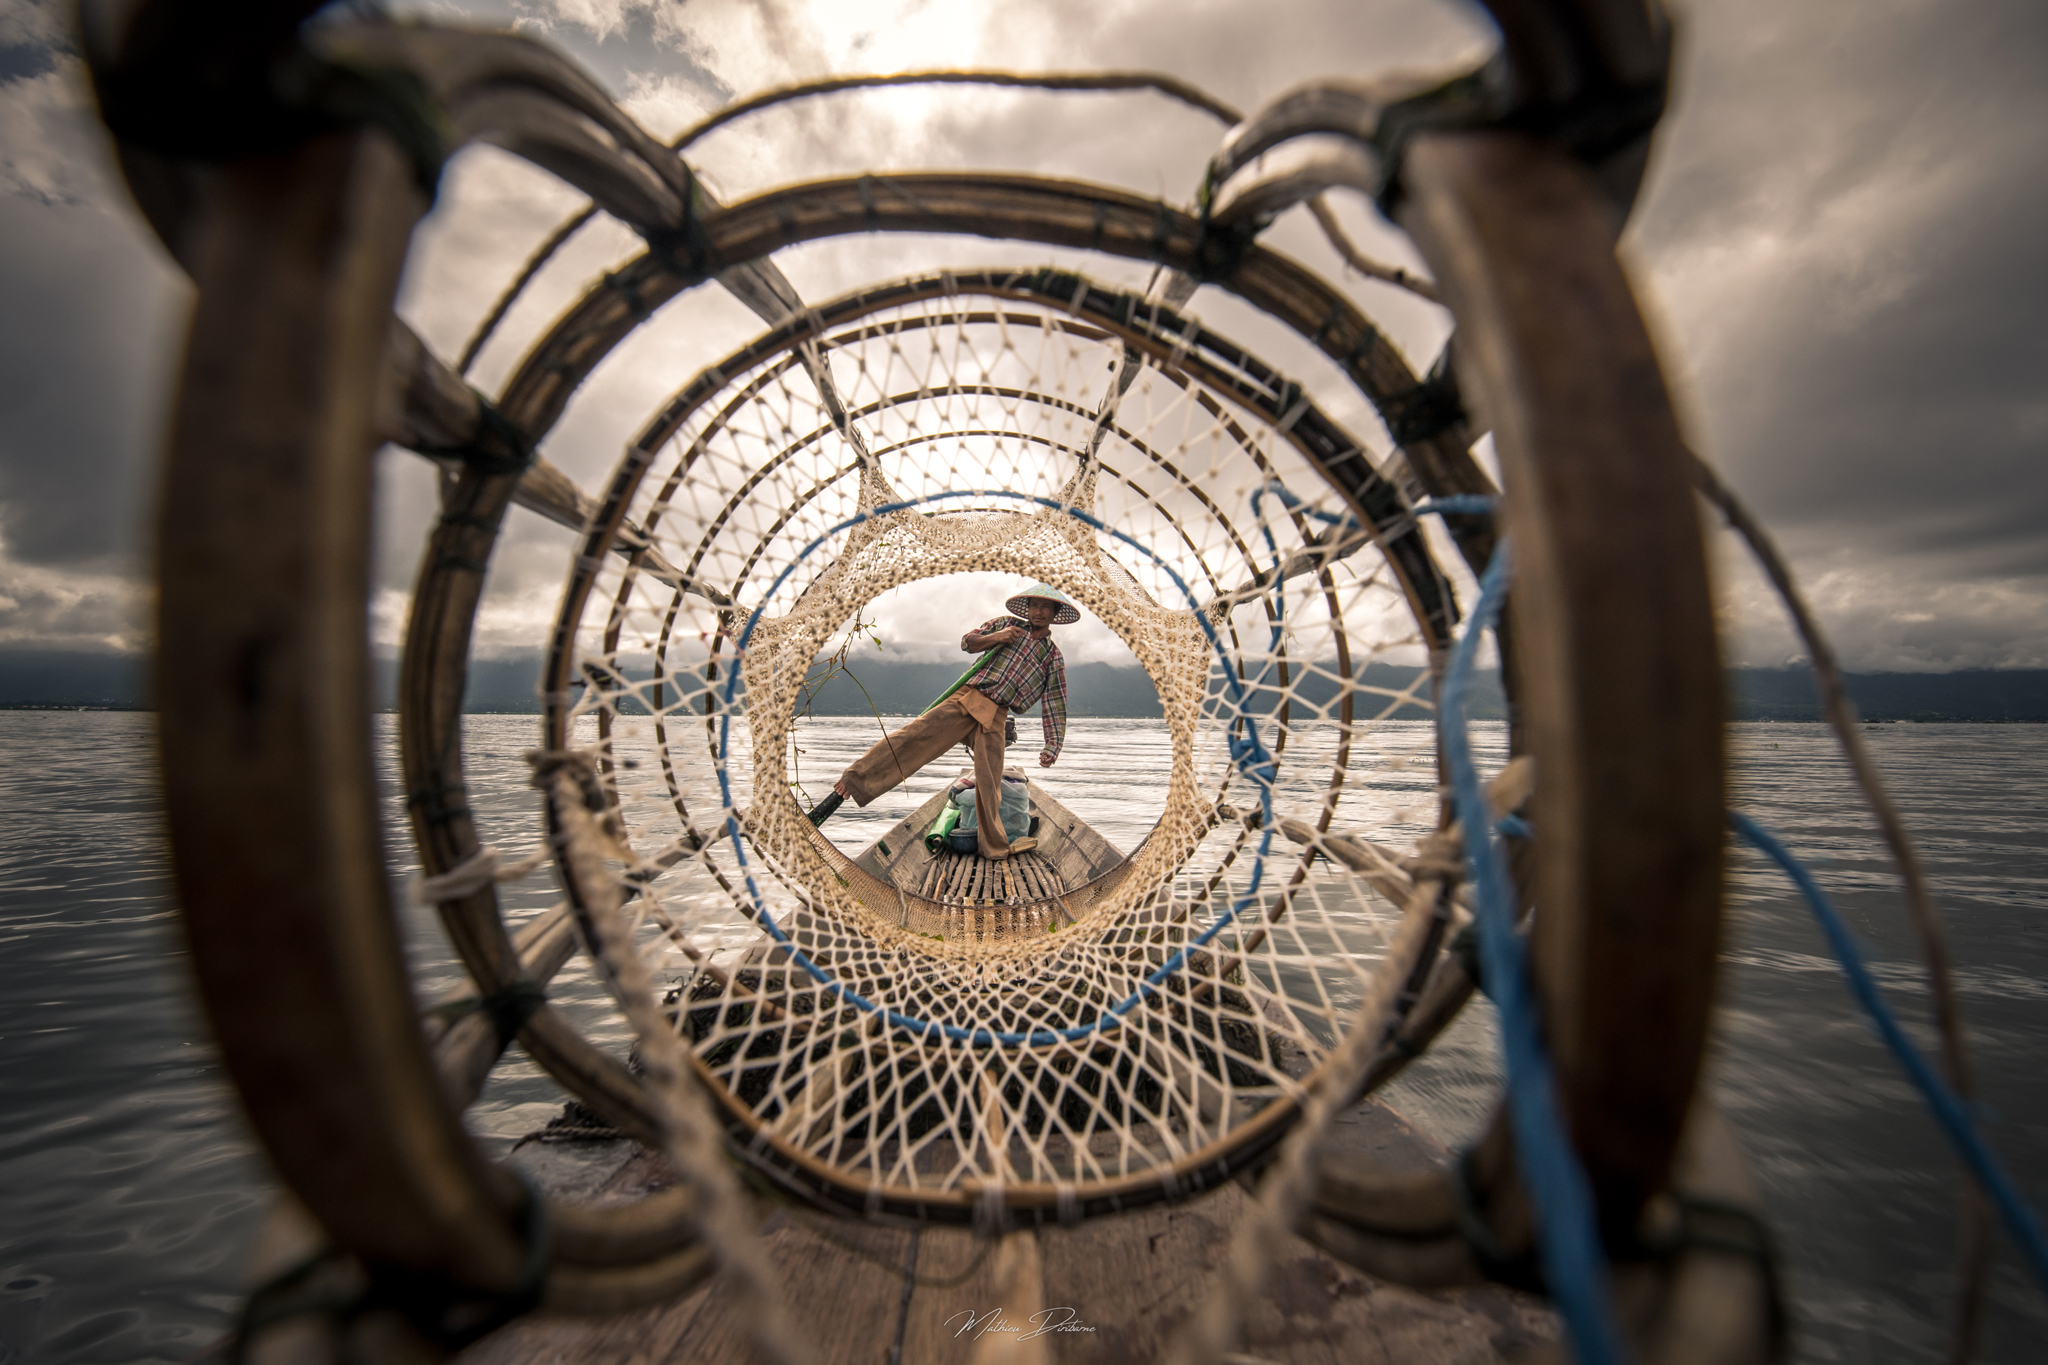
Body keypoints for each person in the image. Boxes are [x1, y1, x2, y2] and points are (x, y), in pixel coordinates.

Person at [806, 582, 1075, 859]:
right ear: (1027, 608)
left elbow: (1055, 703)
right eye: (1034, 605)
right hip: (967, 698)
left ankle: (994, 849)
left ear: (1055, 614)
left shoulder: (1052, 657)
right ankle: (854, 780)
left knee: (990, 784)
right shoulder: (1007, 624)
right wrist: (999, 637)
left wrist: (1052, 746)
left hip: (996, 715)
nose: (1038, 612)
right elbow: (968, 643)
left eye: (1045, 607)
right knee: (915, 738)